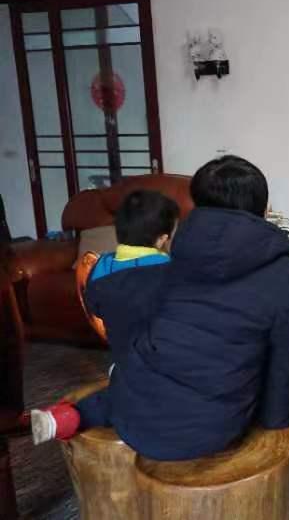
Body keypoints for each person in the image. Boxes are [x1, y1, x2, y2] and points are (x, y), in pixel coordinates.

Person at [33, 156, 289, 462]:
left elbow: (120, 298)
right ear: (262, 208)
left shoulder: (175, 259)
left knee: (123, 387)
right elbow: (287, 360)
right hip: (213, 428)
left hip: (135, 415)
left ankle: (69, 416)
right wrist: (276, 423)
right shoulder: (287, 276)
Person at [31, 190, 180, 444]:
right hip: (166, 365)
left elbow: (95, 308)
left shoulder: (99, 268)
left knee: (118, 395)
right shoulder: (173, 273)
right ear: (162, 239)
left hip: (124, 357)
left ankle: (64, 417)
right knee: (149, 396)